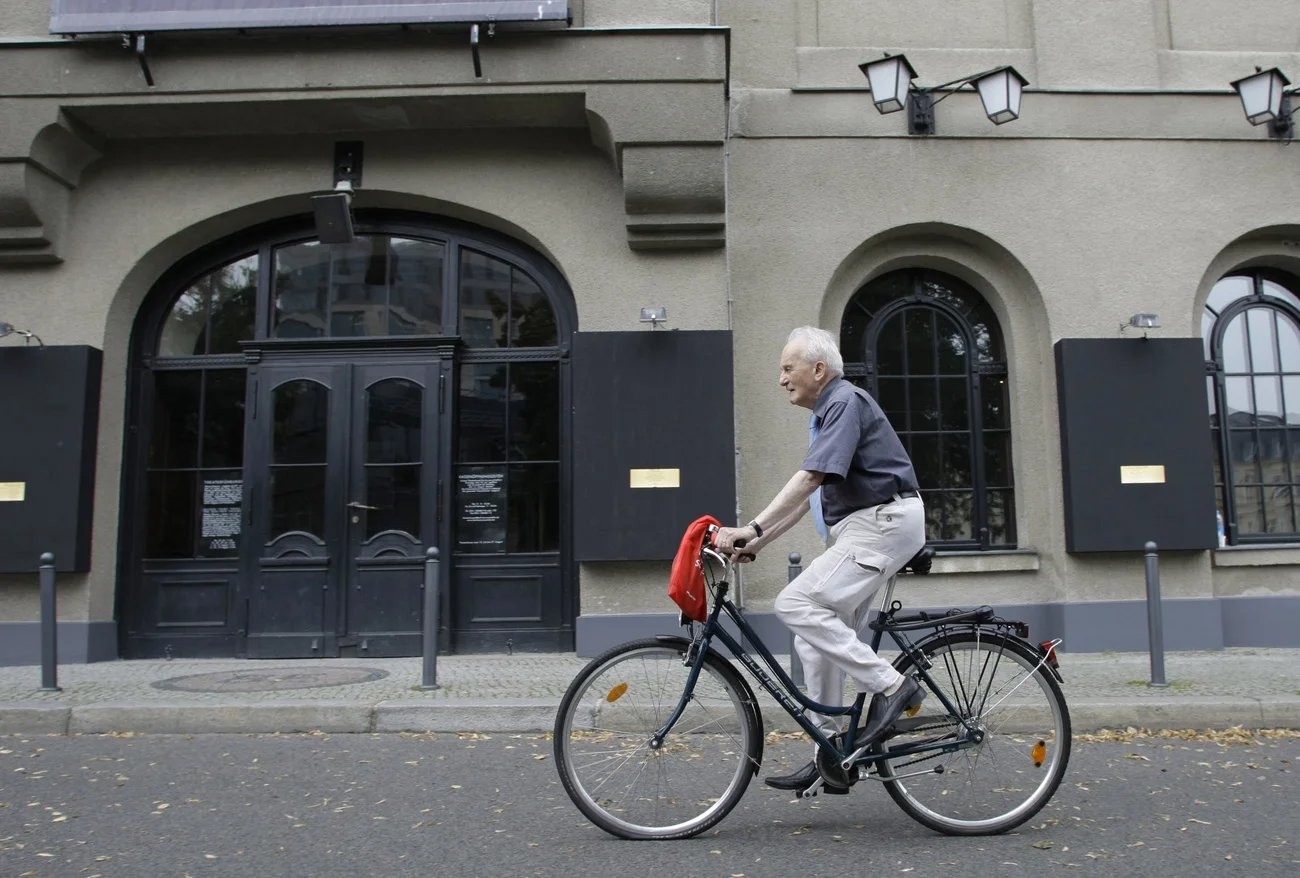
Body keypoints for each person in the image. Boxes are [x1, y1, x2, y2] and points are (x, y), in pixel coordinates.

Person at [713, 325, 927, 794]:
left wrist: (749, 528)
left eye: (787, 368)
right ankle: (832, 750)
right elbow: (811, 496)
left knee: (794, 605)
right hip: (870, 525)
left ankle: (893, 686)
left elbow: (810, 478)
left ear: (818, 369)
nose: (781, 379)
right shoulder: (832, 412)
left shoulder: (844, 402)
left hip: (881, 524)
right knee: (815, 639)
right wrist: (758, 541)